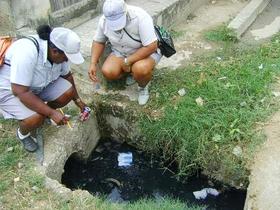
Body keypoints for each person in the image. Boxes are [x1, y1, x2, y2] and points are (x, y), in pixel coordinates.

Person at [0, 25, 90, 153]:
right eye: (66, 57)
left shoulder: (59, 54)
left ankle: (44, 114)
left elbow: (67, 76)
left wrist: (78, 101)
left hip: (35, 87)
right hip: (11, 91)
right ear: (55, 51)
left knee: (67, 92)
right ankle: (23, 134)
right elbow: (20, 91)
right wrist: (52, 112)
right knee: (35, 118)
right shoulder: (27, 51)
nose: (66, 60)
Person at [88, 0, 161, 105]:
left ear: (125, 11)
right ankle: (132, 74)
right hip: (121, 51)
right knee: (108, 71)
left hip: (145, 51)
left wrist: (128, 61)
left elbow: (151, 46)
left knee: (140, 69)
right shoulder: (103, 20)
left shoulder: (141, 17)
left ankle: (143, 86)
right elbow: (98, 41)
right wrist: (93, 63)